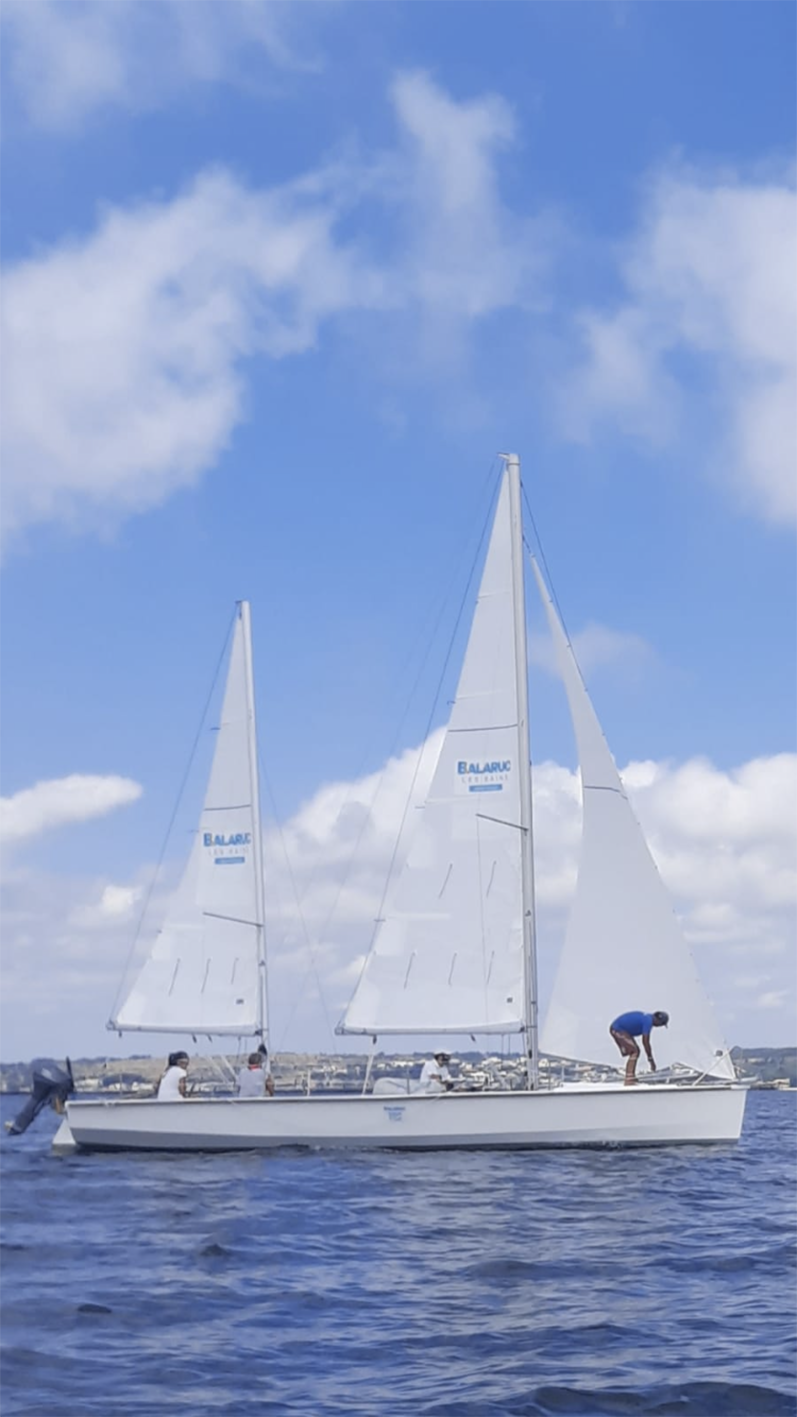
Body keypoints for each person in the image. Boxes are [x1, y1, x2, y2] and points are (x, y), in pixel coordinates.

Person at [609, 1010, 669, 1085]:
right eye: (661, 1024)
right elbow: (646, 1042)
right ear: (658, 1021)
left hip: (621, 1030)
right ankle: (629, 1079)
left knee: (635, 1051)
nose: (659, 1027)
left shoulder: (648, 1018)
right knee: (635, 1051)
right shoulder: (648, 1021)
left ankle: (631, 1076)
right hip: (617, 1029)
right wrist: (651, 1060)